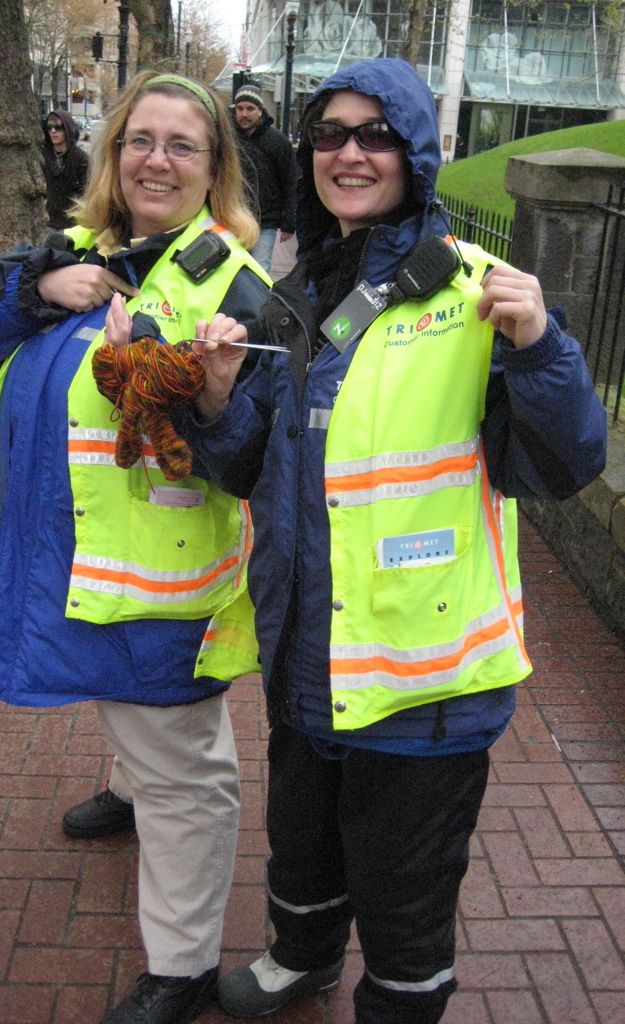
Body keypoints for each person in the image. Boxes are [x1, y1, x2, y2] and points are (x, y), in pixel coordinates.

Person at [168, 59, 607, 1024]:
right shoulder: (297, 293)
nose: (350, 153)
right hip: (305, 652)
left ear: (415, 153)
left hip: (424, 680)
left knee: (405, 887)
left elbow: (563, 463)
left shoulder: (481, 294)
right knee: (304, 843)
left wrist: (541, 349)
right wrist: (208, 396)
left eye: (375, 135)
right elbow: (252, 467)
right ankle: (301, 955)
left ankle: (398, 1003)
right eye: (330, 134)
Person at [0, 71, 270, 1024]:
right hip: (79, 556)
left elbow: (251, 455)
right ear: (112, 154)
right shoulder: (86, 249)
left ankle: (181, 966)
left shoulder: (233, 286)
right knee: (127, 715)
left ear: (215, 170)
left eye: (182, 145)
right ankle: (131, 789)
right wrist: (38, 284)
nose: (156, 159)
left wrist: (207, 392)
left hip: (162, 581)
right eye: (140, 140)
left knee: (189, 772)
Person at [232, 84, 296, 273]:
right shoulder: (229, 140)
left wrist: (288, 222)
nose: (244, 114)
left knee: (259, 271)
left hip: (265, 222)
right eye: (240, 108)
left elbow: (289, 181)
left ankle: (259, 303)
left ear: (260, 111)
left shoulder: (277, 142)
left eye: (250, 109)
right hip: (233, 217)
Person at [42, 108, 90, 229]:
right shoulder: (44, 156)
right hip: (50, 221)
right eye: (49, 127)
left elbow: (87, 193)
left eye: (58, 127)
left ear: (67, 129)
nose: (53, 131)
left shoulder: (81, 158)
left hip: (74, 223)